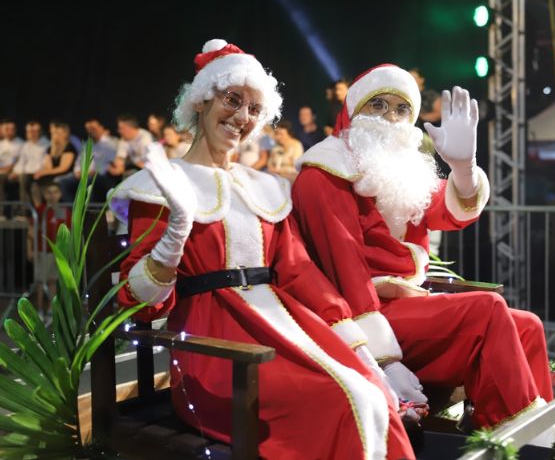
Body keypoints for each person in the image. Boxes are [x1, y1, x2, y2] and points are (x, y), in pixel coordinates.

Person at [111, 39, 413, 460]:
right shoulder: (161, 185)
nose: (242, 117)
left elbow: (298, 271)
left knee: (372, 394)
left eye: (254, 109)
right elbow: (139, 305)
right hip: (220, 356)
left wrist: (364, 349)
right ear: (201, 101)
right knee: (349, 403)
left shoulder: (266, 187)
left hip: (286, 332)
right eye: (232, 100)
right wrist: (175, 233)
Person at [292, 64, 555, 435]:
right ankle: (519, 442)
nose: (390, 118)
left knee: (528, 326)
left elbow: (448, 210)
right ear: (353, 111)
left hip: (402, 305)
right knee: (488, 309)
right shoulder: (324, 175)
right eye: (378, 105)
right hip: (357, 319)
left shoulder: (394, 171)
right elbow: (345, 274)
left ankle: (528, 433)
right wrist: (383, 358)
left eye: (402, 109)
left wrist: (464, 169)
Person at [28, 181, 70, 316]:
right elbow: (31, 232)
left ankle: (52, 310)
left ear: (60, 194)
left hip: (58, 252)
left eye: (55, 192)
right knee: (40, 281)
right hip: (43, 251)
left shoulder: (64, 211)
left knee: (53, 281)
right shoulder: (40, 211)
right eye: (49, 192)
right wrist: (30, 249)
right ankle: (40, 310)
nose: (52, 195)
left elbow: (69, 230)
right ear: (45, 195)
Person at [58, 118, 120, 202]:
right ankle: (70, 208)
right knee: (62, 181)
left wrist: (92, 172)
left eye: (93, 129)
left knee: (88, 181)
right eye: (88, 129)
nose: (90, 131)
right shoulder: (87, 144)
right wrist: (77, 171)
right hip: (85, 174)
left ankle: (89, 209)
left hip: (102, 176)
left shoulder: (110, 144)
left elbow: (110, 164)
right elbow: (79, 161)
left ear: (101, 128)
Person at [9, 121, 50, 209]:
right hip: (25, 173)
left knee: (24, 178)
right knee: (4, 178)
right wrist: (15, 172)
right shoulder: (26, 145)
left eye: (34, 131)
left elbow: (45, 164)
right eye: (29, 132)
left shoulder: (47, 144)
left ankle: (25, 211)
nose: (31, 134)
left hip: (38, 173)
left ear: (40, 132)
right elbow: (21, 162)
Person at [33, 121, 77, 189]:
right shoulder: (50, 148)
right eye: (53, 133)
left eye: (57, 133)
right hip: (53, 173)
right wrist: (42, 172)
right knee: (36, 180)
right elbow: (48, 167)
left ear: (64, 134)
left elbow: (64, 168)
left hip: (66, 174)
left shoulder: (69, 147)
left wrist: (44, 173)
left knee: (45, 180)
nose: (54, 136)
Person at [108, 114, 154, 178]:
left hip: (149, 170)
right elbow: (120, 160)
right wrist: (113, 166)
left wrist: (124, 166)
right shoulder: (124, 140)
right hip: (135, 169)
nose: (118, 131)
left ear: (129, 128)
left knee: (131, 173)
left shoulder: (145, 137)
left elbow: (146, 162)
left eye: (121, 128)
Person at [0, 119, 24, 217]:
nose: (9, 131)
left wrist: (7, 170)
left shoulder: (21, 144)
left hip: (14, 172)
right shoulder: (1, 144)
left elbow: (18, 162)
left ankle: (1, 212)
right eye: (6, 129)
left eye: (11, 129)